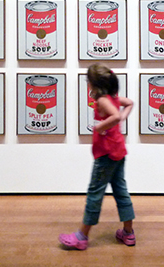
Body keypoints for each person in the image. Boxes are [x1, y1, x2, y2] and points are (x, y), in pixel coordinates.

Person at [59, 63, 135, 250]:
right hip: (118, 152)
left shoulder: (103, 101)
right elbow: (129, 103)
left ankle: (82, 236)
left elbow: (115, 116)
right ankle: (128, 233)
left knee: (95, 193)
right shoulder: (113, 98)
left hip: (106, 154)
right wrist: (121, 117)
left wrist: (101, 126)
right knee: (121, 191)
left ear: (93, 84)